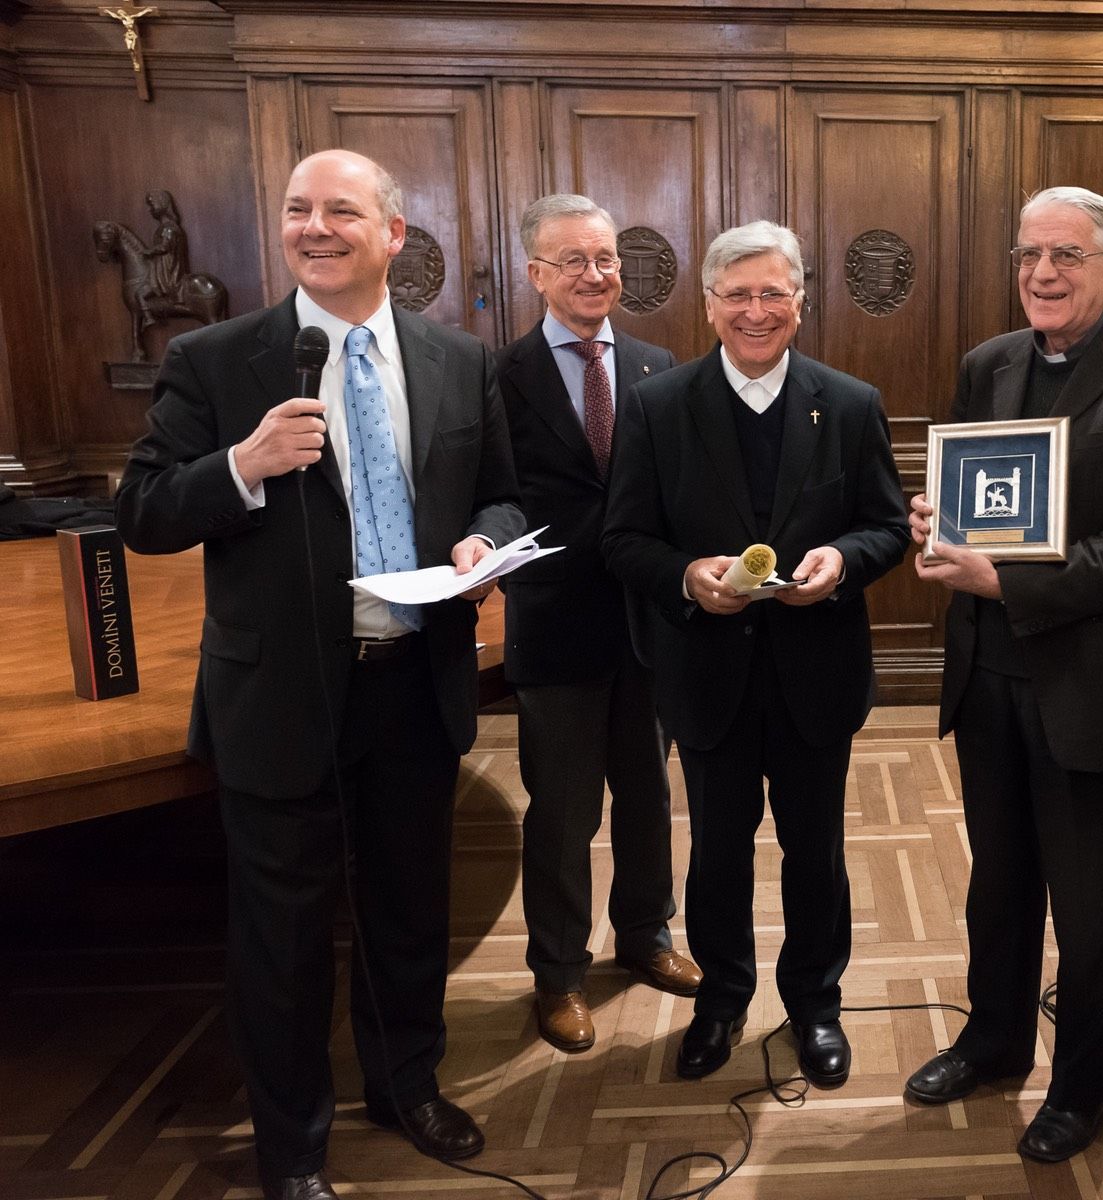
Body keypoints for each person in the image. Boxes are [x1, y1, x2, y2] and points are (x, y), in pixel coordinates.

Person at [117, 149, 524, 1200]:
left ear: (394, 234)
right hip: (279, 696)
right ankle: (292, 1149)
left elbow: (499, 494)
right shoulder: (218, 358)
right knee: (283, 942)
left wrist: (485, 543)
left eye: (342, 210)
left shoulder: (456, 359)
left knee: (407, 912)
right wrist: (239, 468)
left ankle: (406, 1088)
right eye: (298, 210)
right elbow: (145, 510)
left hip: (412, 679)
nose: (315, 226)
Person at [903, 186, 1103, 1163]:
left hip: (1090, 689)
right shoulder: (987, 364)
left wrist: (1001, 576)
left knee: (1093, 908)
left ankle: (1082, 1090)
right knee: (998, 888)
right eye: (1031, 253)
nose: (1043, 272)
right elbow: (976, 506)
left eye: (1068, 255)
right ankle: (993, 1042)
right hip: (988, 677)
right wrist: (939, 528)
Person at [601, 221, 908, 1087]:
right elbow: (622, 539)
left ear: (802, 303)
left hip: (818, 675)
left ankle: (816, 1005)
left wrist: (844, 562)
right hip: (707, 677)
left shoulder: (850, 403)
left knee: (816, 852)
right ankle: (722, 1000)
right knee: (719, 853)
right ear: (708, 305)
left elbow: (885, 526)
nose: (756, 310)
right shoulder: (658, 407)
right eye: (737, 295)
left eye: (774, 293)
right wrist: (688, 577)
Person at [498, 193, 699, 1055]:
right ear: (537, 274)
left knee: (649, 796)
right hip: (557, 626)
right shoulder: (499, 375)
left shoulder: (658, 366)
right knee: (563, 810)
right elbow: (494, 494)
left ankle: (647, 934)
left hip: (649, 625)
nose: (594, 274)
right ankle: (559, 974)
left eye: (607, 258)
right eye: (573, 260)